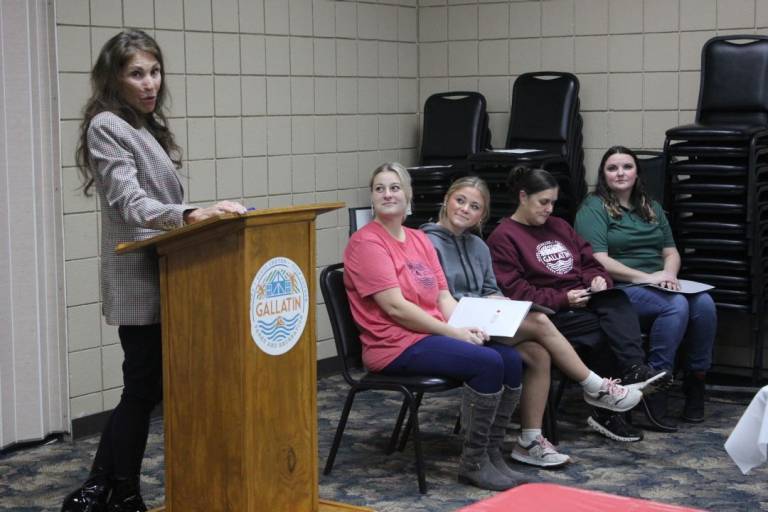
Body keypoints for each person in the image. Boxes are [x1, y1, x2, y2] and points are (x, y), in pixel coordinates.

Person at [62, 30, 246, 512]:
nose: (149, 83)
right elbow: (129, 201)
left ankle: (109, 486)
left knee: (145, 388)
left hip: (169, 273)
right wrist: (189, 214)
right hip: (139, 275)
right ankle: (114, 488)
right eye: (136, 73)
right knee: (143, 386)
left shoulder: (144, 127)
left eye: (155, 71)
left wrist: (192, 217)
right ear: (115, 78)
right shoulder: (107, 125)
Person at [422, 177, 651, 454]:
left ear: (482, 214)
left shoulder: (478, 247)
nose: (465, 209)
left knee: (539, 354)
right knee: (541, 320)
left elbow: (490, 289)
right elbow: (432, 296)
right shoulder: (425, 243)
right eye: (460, 201)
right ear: (447, 199)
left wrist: (502, 303)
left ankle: (530, 440)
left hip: (485, 317)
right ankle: (596, 387)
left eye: (475, 206)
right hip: (451, 323)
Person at [486, 167, 671, 442]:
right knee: (603, 329)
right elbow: (515, 291)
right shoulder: (504, 237)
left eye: (553, 202)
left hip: (582, 299)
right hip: (548, 314)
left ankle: (633, 371)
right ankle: (606, 410)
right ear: (523, 197)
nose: (549, 209)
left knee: (616, 298)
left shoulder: (559, 226)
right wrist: (563, 299)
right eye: (543, 202)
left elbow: (589, 262)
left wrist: (596, 278)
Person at [575, 146, 716, 428]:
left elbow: (671, 251)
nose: (620, 173)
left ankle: (695, 383)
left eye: (626, 166)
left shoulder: (649, 205)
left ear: (637, 171)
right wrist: (646, 278)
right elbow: (599, 260)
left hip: (658, 284)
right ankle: (654, 388)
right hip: (619, 289)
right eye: (612, 168)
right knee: (674, 307)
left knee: (704, 305)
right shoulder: (593, 208)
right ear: (603, 175)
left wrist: (668, 274)